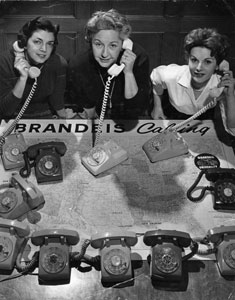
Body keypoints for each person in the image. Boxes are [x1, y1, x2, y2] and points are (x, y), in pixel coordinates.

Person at [68, 9, 151, 120]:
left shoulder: (139, 57)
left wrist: (128, 73)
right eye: (98, 44)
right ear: (90, 41)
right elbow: (87, 107)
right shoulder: (78, 63)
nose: (104, 54)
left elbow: (137, 108)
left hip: (129, 116)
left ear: (124, 44)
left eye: (113, 45)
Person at [150, 28, 235, 135]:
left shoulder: (220, 83)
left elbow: (233, 129)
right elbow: (156, 77)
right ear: (187, 58)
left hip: (204, 119)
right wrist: (157, 106)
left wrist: (230, 96)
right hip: (172, 115)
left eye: (207, 62)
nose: (198, 68)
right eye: (194, 60)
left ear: (218, 64)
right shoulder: (171, 75)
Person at [0, 16, 68, 119]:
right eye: (37, 42)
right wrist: (22, 78)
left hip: (45, 115)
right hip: (11, 117)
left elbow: (57, 99)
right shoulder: (4, 62)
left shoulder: (58, 63)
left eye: (49, 44)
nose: (44, 49)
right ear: (24, 43)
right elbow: (6, 110)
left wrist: (65, 117)